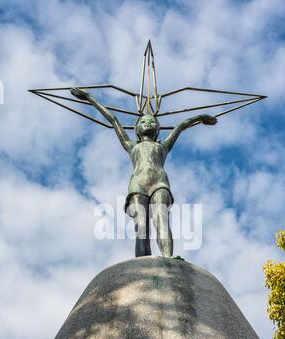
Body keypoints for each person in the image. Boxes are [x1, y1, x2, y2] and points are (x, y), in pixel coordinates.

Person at [71, 87, 217, 257]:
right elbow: (113, 119)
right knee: (141, 226)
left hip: (159, 182)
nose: (148, 123)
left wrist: (200, 118)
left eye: (152, 122)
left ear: (158, 130)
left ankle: (168, 258)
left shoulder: (163, 145)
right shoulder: (131, 145)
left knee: (161, 218)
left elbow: (181, 125)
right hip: (138, 184)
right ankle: (142, 263)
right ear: (136, 128)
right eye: (144, 121)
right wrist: (90, 98)